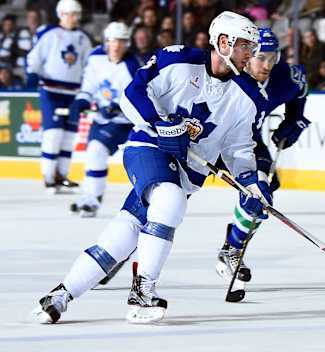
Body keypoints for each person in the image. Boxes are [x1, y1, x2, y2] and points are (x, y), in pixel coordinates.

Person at [32, 11, 266, 325]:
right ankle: (142, 293)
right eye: (245, 46)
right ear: (223, 43)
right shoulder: (178, 61)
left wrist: (251, 186)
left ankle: (60, 295)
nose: (251, 54)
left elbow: (239, 149)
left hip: (187, 172)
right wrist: (161, 126)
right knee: (169, 199)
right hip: (149, 148)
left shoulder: (249, 97)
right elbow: (133, 94)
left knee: (125, 233)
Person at [214, 28, 310, 289]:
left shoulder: (286, 78)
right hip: (210, 141)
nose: (267, 65)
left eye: (272, 57)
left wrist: (294, 120)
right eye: (260, 58)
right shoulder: (226, 77)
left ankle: (231, 250)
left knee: (262, 192)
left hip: (247, 143)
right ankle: (127, 247)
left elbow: (299, 90)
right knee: (172, 197)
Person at [69, 22, 141, 218]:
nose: (116, 46)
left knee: (96, 150)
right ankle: (89, 196)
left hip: (122, 122)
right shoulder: (96, 58)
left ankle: (92, 198)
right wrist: (82, 101)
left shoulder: (133, 65)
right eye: (112, 41)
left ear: (127, 43)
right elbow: (89, 85)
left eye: (121, 41)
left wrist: (120, 107)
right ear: (106, 42)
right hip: (101, 117)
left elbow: (140, 98)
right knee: (93, 155)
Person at [26, 0, 92, 193]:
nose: (74, 18)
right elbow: (34, 59)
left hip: (73, 93)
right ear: (61, 14)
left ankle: (61, 175)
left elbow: (89, 66)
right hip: (51, 91)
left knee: (69, 136)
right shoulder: (49, 34)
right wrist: (35, 75)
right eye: (70, 14)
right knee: (53, 133)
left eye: (76, 14)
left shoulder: (83, 38)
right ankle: (48, 177)